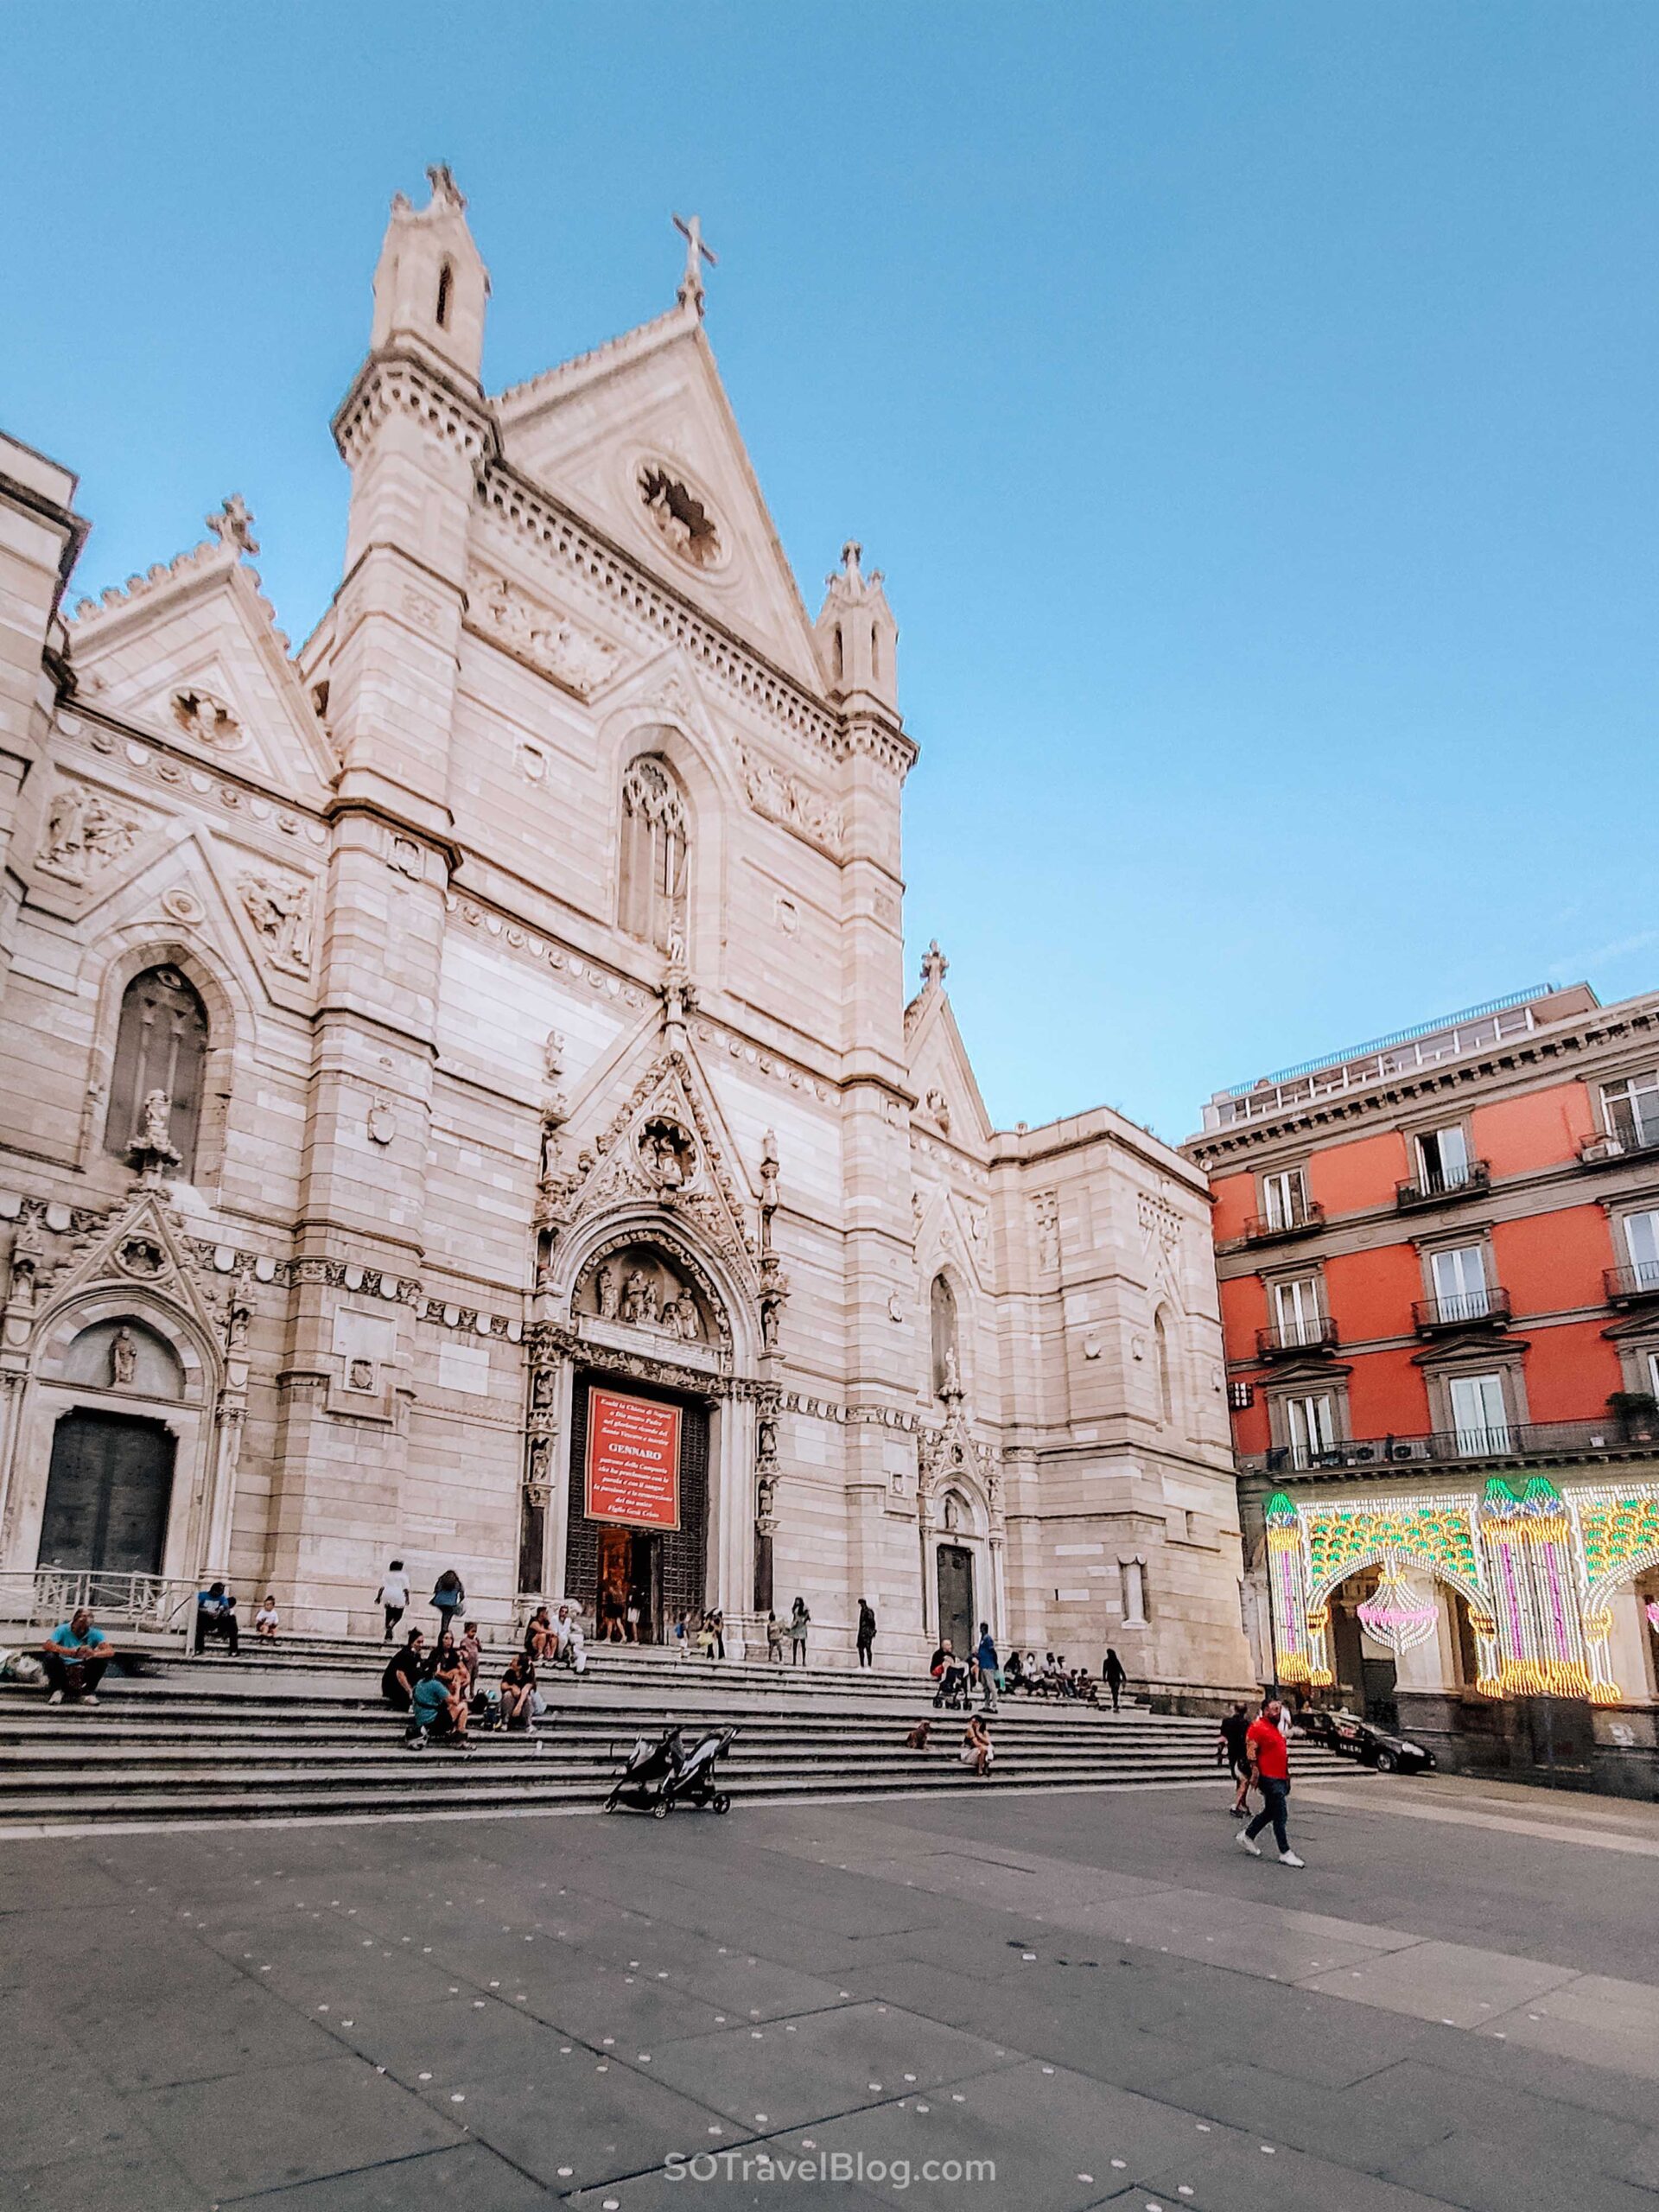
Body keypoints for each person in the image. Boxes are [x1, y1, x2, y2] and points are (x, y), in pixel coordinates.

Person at [1236, 1696, 1304, 1867]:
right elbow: (1251, 1750)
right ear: (1265, 1710)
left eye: (1279, 1708)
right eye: (1274, 1709)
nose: (1278, 1712)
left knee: (1270, 1812)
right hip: (1269, 1777)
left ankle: (1247, 1835)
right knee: (1280, 1814)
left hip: (1279, 1777)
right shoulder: (1258, 1727)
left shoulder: (1274, 1729)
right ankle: (1285, 1851)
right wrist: (1254, 1771)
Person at [41, 1610, 111, 1705]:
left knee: (102, 1660)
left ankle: (88, 1692)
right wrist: (71, 1652)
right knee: (50, 1657)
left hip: (84, 1662)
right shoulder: (62, 1629)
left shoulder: (95, 1633)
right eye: (80, 1624)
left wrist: (93, 1654)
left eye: (85, 1627)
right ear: (74, 1621)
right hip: (63, 1662)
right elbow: (48, 1645)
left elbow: (110, 1651)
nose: (82, 1630)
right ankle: (57, 1690)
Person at [1218, 1702, 1253, 1817]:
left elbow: (1222, 1739)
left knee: (1240, 1780)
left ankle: (1243, 1804)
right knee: (1244, 1780)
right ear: (1245, 1711)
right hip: (1243, 1755)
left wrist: (1219, 1753)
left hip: (1232, 1754)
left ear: (1235, 1709)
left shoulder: (1227, 1722)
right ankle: (1236, 1805)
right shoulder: (1247, 1724)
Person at [381, 1629, 425, 1711]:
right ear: (412, 1642)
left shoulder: (416, 1655)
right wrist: (409, 1691)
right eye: (418, 1642)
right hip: (392, 1684)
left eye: (422, 1642)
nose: (421, 1645)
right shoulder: (406, 1654)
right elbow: (400, 1674)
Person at [194, 1581, 239, 1657]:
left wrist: (220, 1611)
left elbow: (226, 1607)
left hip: (217, 1619)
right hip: (205, 1619)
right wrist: (206, 1611)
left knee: (232, 1619)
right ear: (213, 1590)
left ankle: (234, 1649)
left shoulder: (222, 1597)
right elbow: (196, 1608)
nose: (219, 1595)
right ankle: (199, 1648)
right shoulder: (202, 1595)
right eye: (217, 1593)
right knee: (200, 1621)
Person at [499, 1650, 537, 1730]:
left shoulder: (528, 1677)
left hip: (522, 1703)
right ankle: (505, 1721)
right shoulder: (509, 1673)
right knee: (508, 1695)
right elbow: (503, 1685)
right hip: (510, 1703)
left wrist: (519, 1706)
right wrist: (512, 1687)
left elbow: (525, 1691)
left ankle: (528, 1724)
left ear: (520, 1666)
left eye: (514, 1661)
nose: (512, 1661)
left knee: (528, 1698)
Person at [378, 1559, 410, 1641]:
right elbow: (406, 1589)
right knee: (398, 1615)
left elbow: (382, 1587)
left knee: (389, 1613)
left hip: (387, 1594)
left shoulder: (386, 1575)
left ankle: (388, 1634)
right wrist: (407, 1599)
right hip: (398, 1595)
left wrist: (378, 1597)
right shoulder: (403, 1576)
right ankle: (390, 1626)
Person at [431, 1568, 465, 1642]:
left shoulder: (441, 1580)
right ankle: (442, 1638)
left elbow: (436, 1590)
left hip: (439, 1603)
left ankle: (443, 1634)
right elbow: (462, 1594)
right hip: (450, 1604)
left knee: (445, 1619)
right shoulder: (458, 1583)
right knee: (446, 1622)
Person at [960, 1713, 995, 1778]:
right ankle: (980, 1770)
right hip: (968, 1755)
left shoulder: (984, 1732)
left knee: (990, 1748)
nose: (973, 1724)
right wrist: (983, 1745)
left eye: (975, 1722)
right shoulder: (970, 1730)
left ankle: (986, 1768)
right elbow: (976, 1744)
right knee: (983, 1749)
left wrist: (978, 1733)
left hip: (978, 1753)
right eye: (971, 1722)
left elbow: (988, 1742)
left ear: (980, 1723)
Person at [974, 1622, 999, 1712]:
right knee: (986, 1686)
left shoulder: (988, 1639)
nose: (980, 1630)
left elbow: (992, 1651)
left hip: (988, 1665)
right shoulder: (982, 1639)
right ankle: (986, 1705)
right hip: (983, 1664)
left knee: (991, 1685)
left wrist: (996, 1663)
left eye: (981, 1628)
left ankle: (994, 1705)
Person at [460, 1619, 482, 1691]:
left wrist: (479, 1643)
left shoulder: (476, 1641)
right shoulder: (465, 1641)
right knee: (467, 1677)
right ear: (467, 1631)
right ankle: (462, 1691)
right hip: (468, 1661)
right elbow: (462, 1650)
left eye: (475, 1631)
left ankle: (472, 1692)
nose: (474, 1633)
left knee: (473, 1678)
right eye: (472, 1631)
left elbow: (480, 1649)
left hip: (475, 1661)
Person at [1103, 1646, 1128, 1713]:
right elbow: (1105, 1670)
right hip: (1114, 1679)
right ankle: (1115, 1703)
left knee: (1114, 1691)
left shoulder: (1108, 1661)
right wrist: (1124, 1677)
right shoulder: (1114, 1661)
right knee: (1115, 1691)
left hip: (1113, 1679)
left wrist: (1104, 1678)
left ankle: (1115, 1703)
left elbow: (1104, 1671)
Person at [788, 1595, 810, 1666]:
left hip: (802, 1628)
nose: (797, 1602)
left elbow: (807, 1616)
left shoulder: (804, 1608)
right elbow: (794, 1617)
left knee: (803, 1645)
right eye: (796, 1601)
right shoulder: (795, 1609)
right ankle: (794, 1661)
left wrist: (805, 1619)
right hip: (796, 1627)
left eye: (798, 1601)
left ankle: (804, 1661)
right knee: (794, 1645)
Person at [855, 1598, 877, 1669]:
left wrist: (872, 1632)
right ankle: (862, 1665)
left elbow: (872, 1622)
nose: (861, 1606)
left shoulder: (869, 1611)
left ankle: (869, 1665)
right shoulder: (862, 1611)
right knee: (860, 1649)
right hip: (861, 1633)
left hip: (867, 1633)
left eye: (861, 1604)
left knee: (868, 1649)